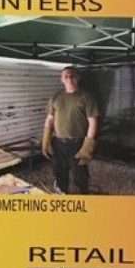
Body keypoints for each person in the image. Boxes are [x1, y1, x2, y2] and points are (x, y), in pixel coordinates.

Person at [42, 66, 99, 194]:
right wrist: (46, 140)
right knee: (59, 171)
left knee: (80, 174)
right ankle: (62, 193)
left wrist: (87, 146)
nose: (69, 79)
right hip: (58, 143)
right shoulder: (55, 97)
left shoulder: (87, 96)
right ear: (61, 79)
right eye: (66, 76)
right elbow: (49, 119)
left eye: (72, 76)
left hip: (78, 143)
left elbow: (93, 123)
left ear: (78, 78)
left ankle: (84, 194)